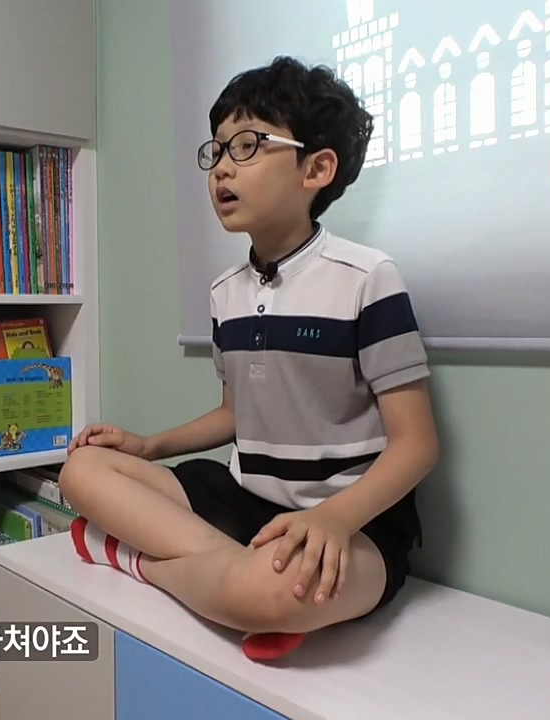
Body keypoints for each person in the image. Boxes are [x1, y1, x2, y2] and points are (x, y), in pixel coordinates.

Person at [58, 56, 439, 663]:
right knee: (82, 469)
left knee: (272, 591)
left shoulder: (368, 278)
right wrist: (148, 446)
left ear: (317, 168)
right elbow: (236, 414)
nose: (222, 168)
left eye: (247, 146)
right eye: (216, 151)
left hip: (352, 522)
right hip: (243, 498)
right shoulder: (225, 291)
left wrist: (336, 520)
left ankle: (142, 562)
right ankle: (232, 579)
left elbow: (416, 444)